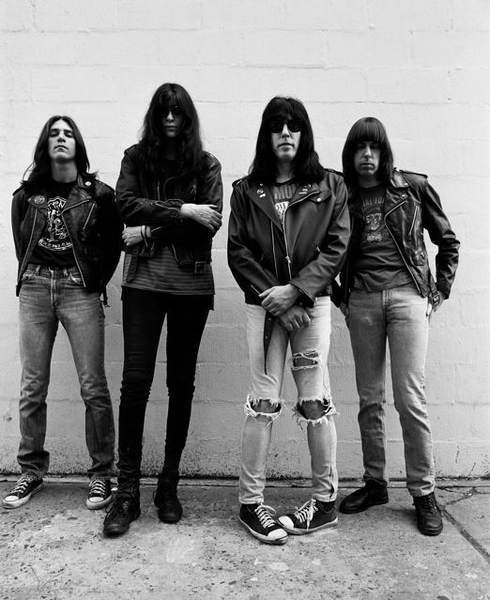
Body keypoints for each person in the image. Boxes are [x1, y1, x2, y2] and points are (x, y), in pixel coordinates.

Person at [228, 96, 350, 545]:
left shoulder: (329, 186)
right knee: (262, 402)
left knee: (314, 401)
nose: (285, 132)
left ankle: (324, 503)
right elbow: (238, 251)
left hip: (311, 306)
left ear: (304, 133)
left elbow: (337, 246)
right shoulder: (246, 190)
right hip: (264, 307)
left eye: (293, 125)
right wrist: (278, 297)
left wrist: (298, 291)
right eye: (277, 125)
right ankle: (250, 504)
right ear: (266, 133)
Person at [103, 83, 223, 537]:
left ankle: (168, 486)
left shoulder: (207, 165)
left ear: (188, 118)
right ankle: (128, 491)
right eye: (163, 111)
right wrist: (185, 209)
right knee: (135, 383)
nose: (170, 118)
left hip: (191, 286)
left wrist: (150, 231)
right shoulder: (136, 159)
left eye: (178, 111)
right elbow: (125, 206)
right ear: (155, 116)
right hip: (143, 285)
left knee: (181, 385)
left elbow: (207, 227)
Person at [334, 117, 460, 536]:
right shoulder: (343, 196)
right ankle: (375, 484)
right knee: (370, 399)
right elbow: (321, 247)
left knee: (410, 399)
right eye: (359, 148)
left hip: (408, 298)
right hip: (362, 301)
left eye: (374, 147)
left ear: (384, 151)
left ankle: (424, 492)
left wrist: (439, 291)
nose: (367, 155)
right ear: (351, 154)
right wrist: (340, 295)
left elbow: (447, 240)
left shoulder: (413, 187)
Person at [4, 115, 121, 511]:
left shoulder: (98, 195)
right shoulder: (25, 196)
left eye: (68, 134)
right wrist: (35, 276)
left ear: (77, 145)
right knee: (32, 386)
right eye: (54, 133)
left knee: (93, 386)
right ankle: (31, 470)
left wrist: (93, 282)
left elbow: (112, 247)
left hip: (78, 289)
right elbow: (21, 243)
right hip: (35, 287)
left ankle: (102, 474)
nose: (60, 138)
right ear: (45, 144)